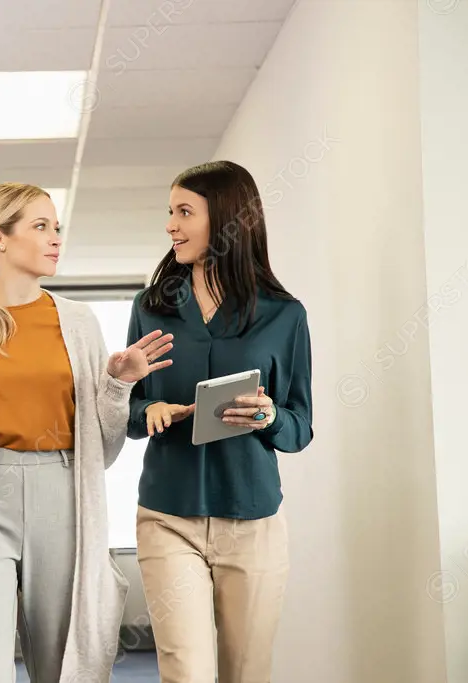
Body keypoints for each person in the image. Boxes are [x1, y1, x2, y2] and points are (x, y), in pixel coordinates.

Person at [0, 182, 174, 683]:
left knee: (62, 665)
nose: (55, 237)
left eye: (56, 227)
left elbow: (102, 452)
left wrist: (118, 385)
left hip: (62, 496)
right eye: (40, 226)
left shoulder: (79, 323)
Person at [125, 161, 314, 683]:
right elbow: (129, 410)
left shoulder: (284, 315)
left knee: (245, 673)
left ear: (228, 220)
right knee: (186, 672)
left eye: (184, 212)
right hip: (168, 517)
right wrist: (147, 410)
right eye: (170, 212)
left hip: (253, 522)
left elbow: (300, 426)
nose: (171, 225)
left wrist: (271, 415)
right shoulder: (151, 308)